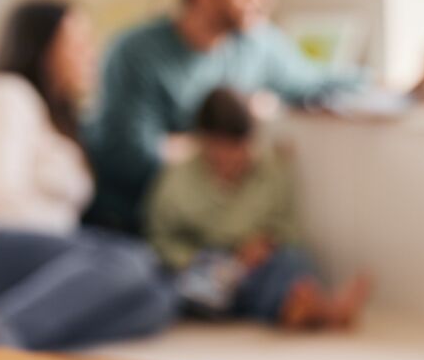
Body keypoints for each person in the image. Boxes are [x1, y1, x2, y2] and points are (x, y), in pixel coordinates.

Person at [0, 0, 176, 350]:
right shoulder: (8, 94)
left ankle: (18, 328)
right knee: (132, 259)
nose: (89, 53)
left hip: (50, 259)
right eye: (77, 42)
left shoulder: (61, 119)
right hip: (1, 246)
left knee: (158, 301)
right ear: (43, 47)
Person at [82, 0, 350, 231]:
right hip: (135, 223)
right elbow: (135, 156)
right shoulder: (134, 52)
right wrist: (224, 141)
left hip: (212, 224)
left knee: (290, 264)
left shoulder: (258, 44)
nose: (266, 1)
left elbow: (315, 82)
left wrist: (391, 86)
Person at [145, 87, 370, 330]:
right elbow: (161, 239)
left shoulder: (272, 169)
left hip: (256, 265)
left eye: (239, 146)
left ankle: (303, 305)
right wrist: (203, 260)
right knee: (190, 286)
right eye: (221, 148)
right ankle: (309, 309)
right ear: (204, 141)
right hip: (206, 267)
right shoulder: (178, 180)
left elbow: (289, 228)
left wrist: (264, 244)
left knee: (292, 260)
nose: (231, 157)